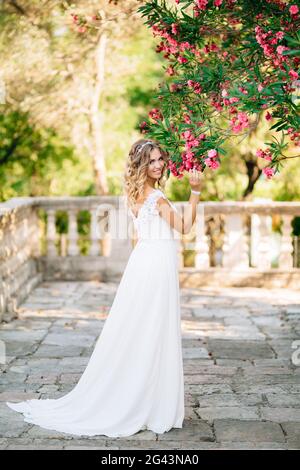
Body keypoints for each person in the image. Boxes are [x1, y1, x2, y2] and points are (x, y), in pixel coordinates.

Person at [6, 138, 203, 438]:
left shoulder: (136, 194)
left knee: (142, 329)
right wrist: (196, 192)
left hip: (144, 262)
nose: (159, 164)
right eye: (151, 161)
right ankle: (148, 403)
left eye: (160, 159)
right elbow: (186, 227)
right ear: (141, 165)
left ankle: (143, 397)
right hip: (155, 266)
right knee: (153, 329)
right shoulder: (157, 199)